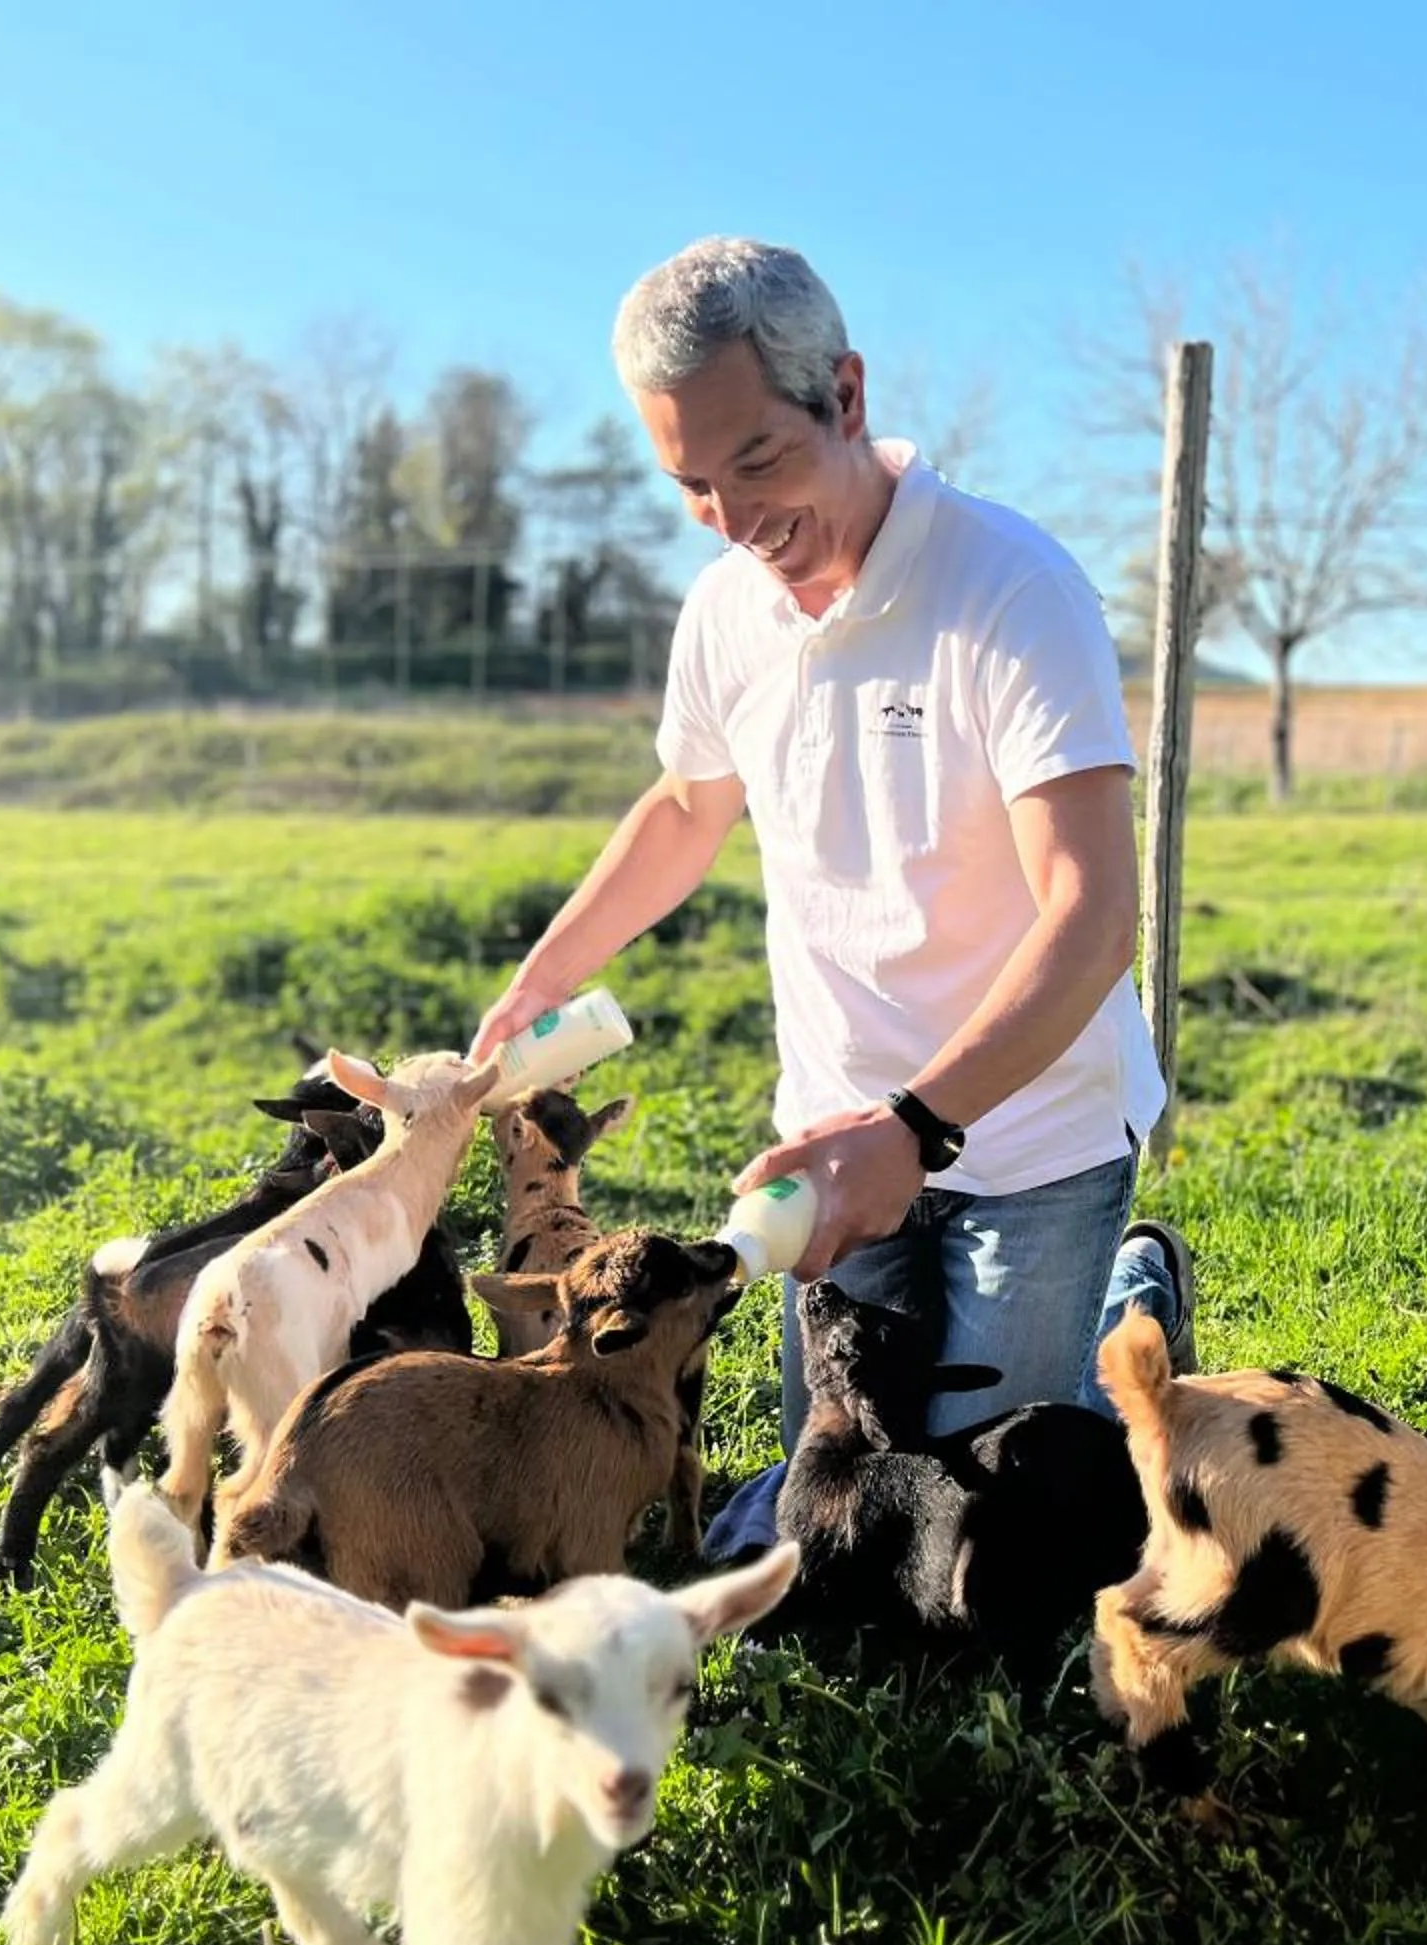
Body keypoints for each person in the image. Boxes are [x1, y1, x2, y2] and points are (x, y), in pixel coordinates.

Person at [465, 236, 1193, 1560]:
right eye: (692, 484)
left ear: (845, 397)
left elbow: (1092, 917)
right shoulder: (728, 614)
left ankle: (1129, 1292)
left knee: (999, 1521)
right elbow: (688, 806)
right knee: (843, 1517)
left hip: (1026, 1131)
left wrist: (918, 1127)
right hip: (833, 1142)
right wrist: (547, 975)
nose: (736, 521)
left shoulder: (1012, 591)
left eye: (757, 463)